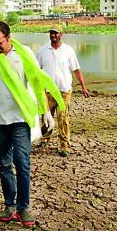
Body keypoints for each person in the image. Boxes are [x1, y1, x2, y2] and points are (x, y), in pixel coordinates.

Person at [0, 21, 64, 228]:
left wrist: (45, 111)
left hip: (20, 119)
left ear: (9, 37)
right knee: (4, 165)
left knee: (22, 164)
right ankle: (9, 206)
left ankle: (23, 208)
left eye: (0, 42)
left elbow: (37, 83)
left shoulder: (25, 53)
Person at [36, 25, 90, 157]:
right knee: (46, 116)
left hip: (64, 90)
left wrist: (83, 86)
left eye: (55, 33)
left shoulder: (68, 50)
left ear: (61, 34)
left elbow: (76, 69)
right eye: (51, 33)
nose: (53, 35)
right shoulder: (42, 51)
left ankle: (64, 144)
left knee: (63, 118)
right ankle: (45, 138)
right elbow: (36, 72)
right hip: (47, 91)